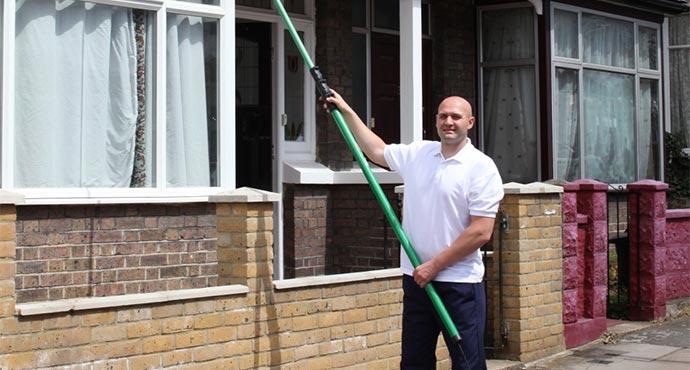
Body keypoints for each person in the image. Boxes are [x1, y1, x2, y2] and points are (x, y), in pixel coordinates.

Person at [324, 90, 504, 370]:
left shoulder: (481, 168)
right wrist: (346, 110)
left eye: (456, 116)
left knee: (468, 364)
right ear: (435, 121)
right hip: (417, 281)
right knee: (414, 362)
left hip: (459, 284)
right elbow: (376, 151)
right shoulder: (420, 153)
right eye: (443, 116)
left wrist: (434, 265)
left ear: (470, 122)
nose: (449, 121)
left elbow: (481, 231)